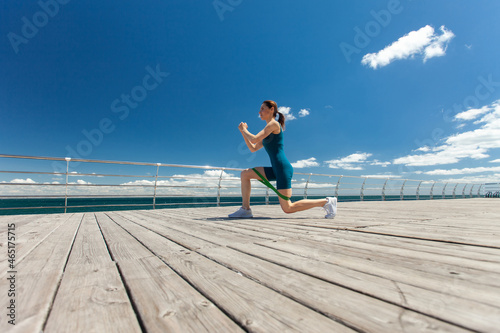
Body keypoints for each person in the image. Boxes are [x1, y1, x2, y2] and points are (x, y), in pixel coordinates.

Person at [229, 100, 337, 218]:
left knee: (288, 208)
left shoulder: (274, 124)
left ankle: (327, 202)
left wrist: (244, 129)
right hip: (276, 168)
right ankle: (245, 209)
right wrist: (242, 132)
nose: (260, 112)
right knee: (245, 174)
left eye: (263, 109)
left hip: (282, 168)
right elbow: (253, 148)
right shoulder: (267, 134)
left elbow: (254, 139)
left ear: (272, 110)